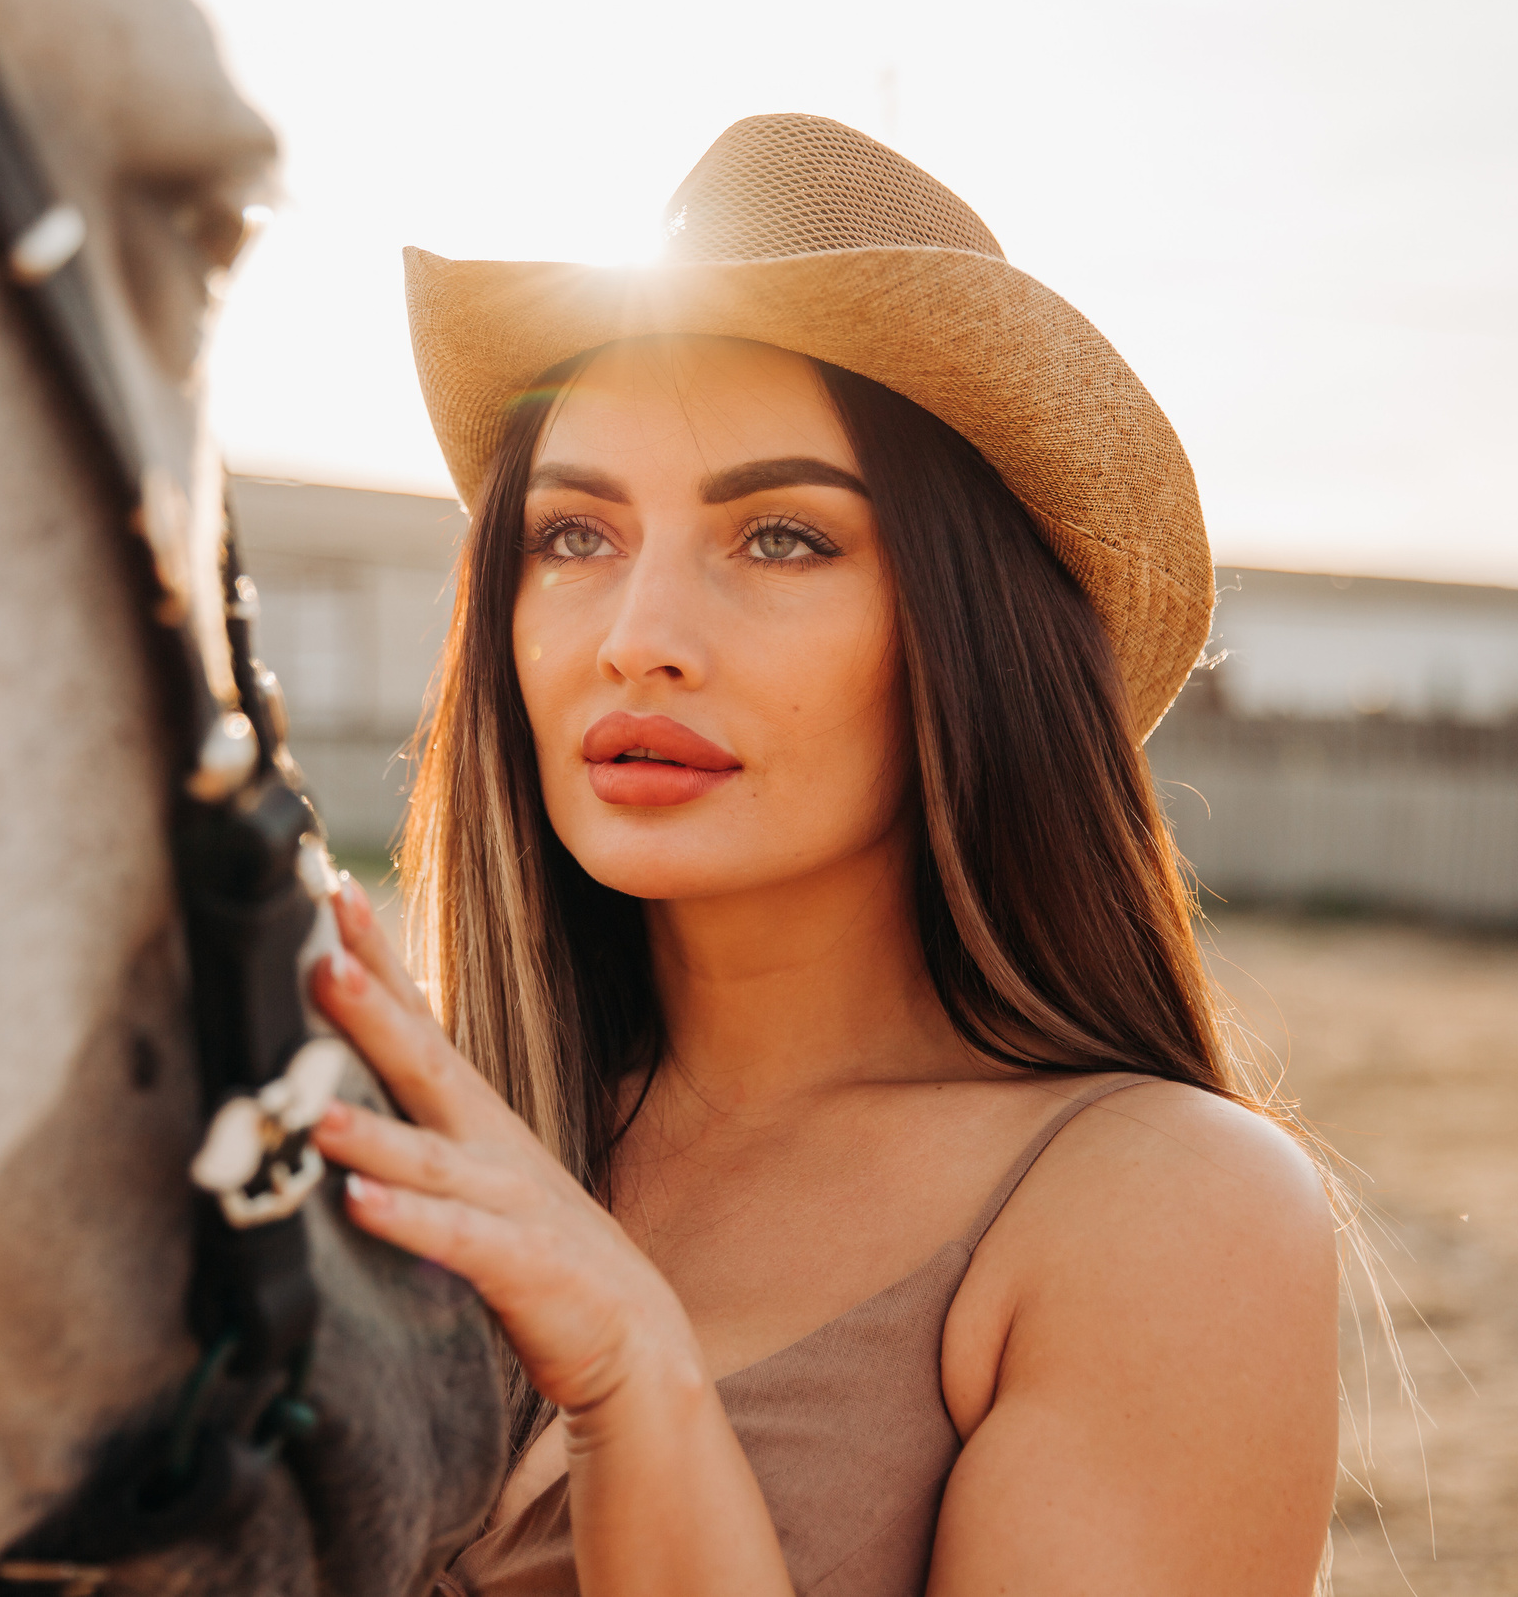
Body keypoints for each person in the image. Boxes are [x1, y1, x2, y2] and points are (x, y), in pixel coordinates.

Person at [306, 115, 1338, 1596]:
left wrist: (637, 1382)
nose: (638, 639)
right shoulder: (436, 1131)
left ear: (969, 638)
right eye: (575, 535)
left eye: (782, 537)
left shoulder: (1159, 1212)